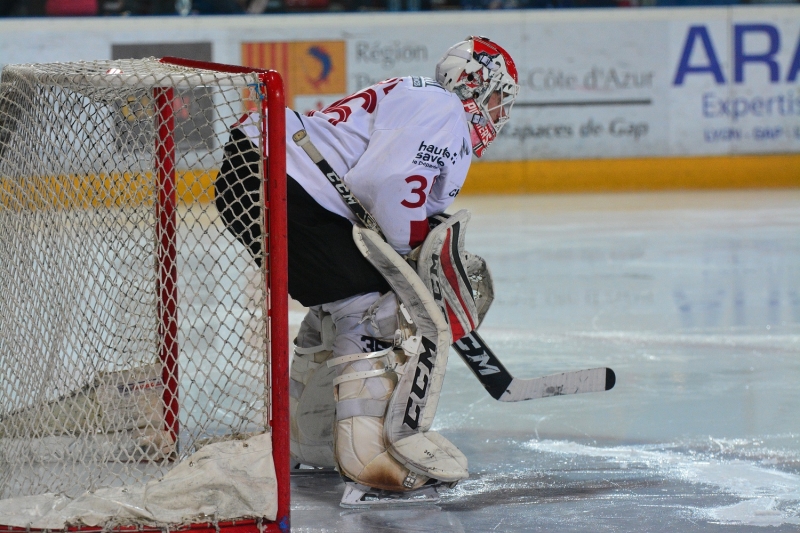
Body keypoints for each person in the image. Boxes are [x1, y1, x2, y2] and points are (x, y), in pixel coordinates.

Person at [216, 36, 519, 507]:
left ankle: (306, 437)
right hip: (281, 174)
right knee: (371, 303)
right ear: (476, 85)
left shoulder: (418, 96)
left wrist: (404, 249)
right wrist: (401, 262)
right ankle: (367, 454)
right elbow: (388, 183)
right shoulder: (444, 110)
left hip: (256, 165)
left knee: (339, 301)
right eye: (498, 98)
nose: (500, 112)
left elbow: (385, 186)